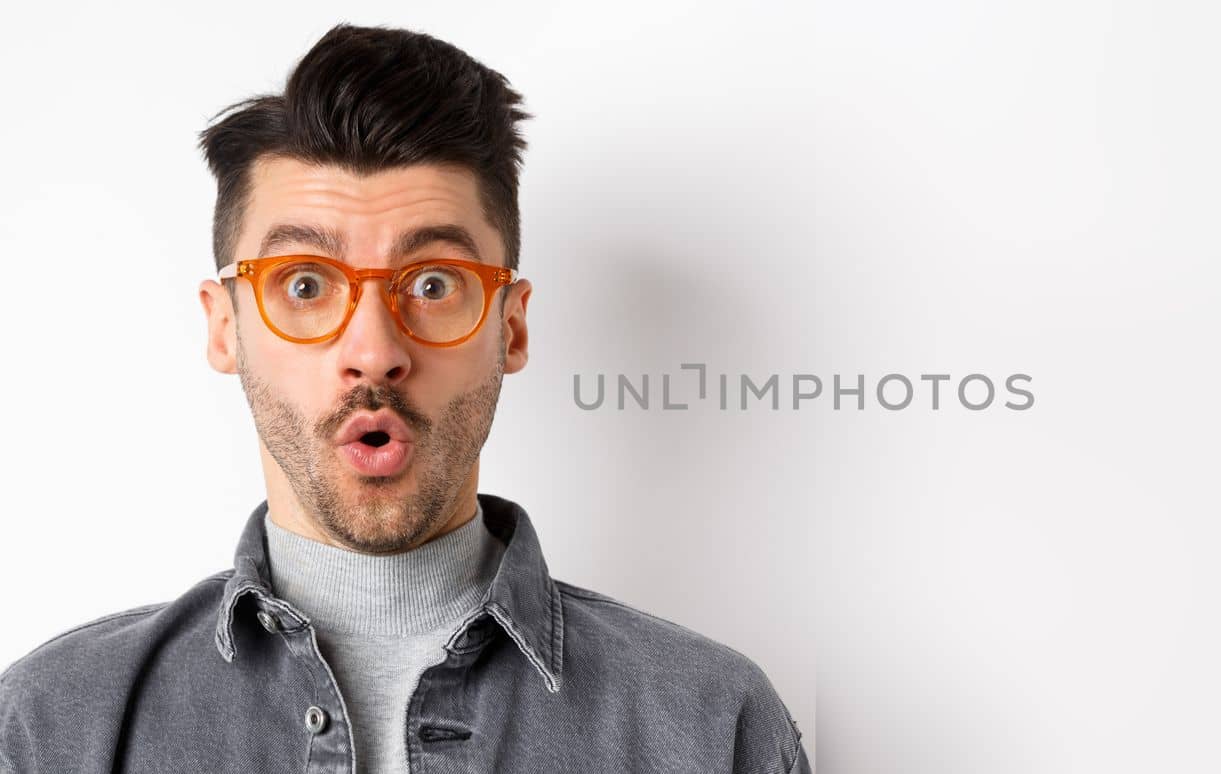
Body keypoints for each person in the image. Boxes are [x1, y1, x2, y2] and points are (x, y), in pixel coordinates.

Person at [0, 22, 809, 774]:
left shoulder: (712, 726)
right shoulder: (53, 728)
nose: (375, 353)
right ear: (226, 329)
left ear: (511, 327)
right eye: (306, 283)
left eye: (432, 283)